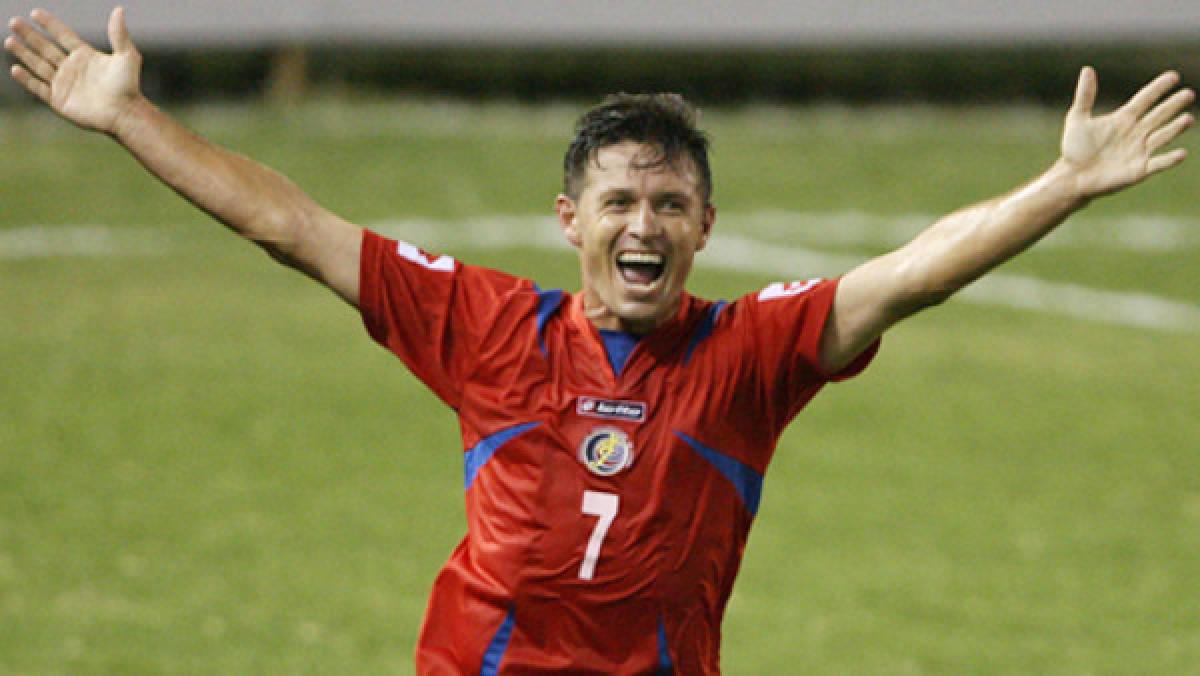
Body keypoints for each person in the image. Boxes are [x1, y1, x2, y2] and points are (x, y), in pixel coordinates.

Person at [6, 7, 1193, 674]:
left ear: (706, 227)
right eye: (620, 201)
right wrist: (129, 118)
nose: (645, 225)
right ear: (570, 220)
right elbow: (292, 226)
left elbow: (911, 276)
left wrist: (1061, 186)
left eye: (671, 204)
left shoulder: (751, 354)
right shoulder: (486, 326)